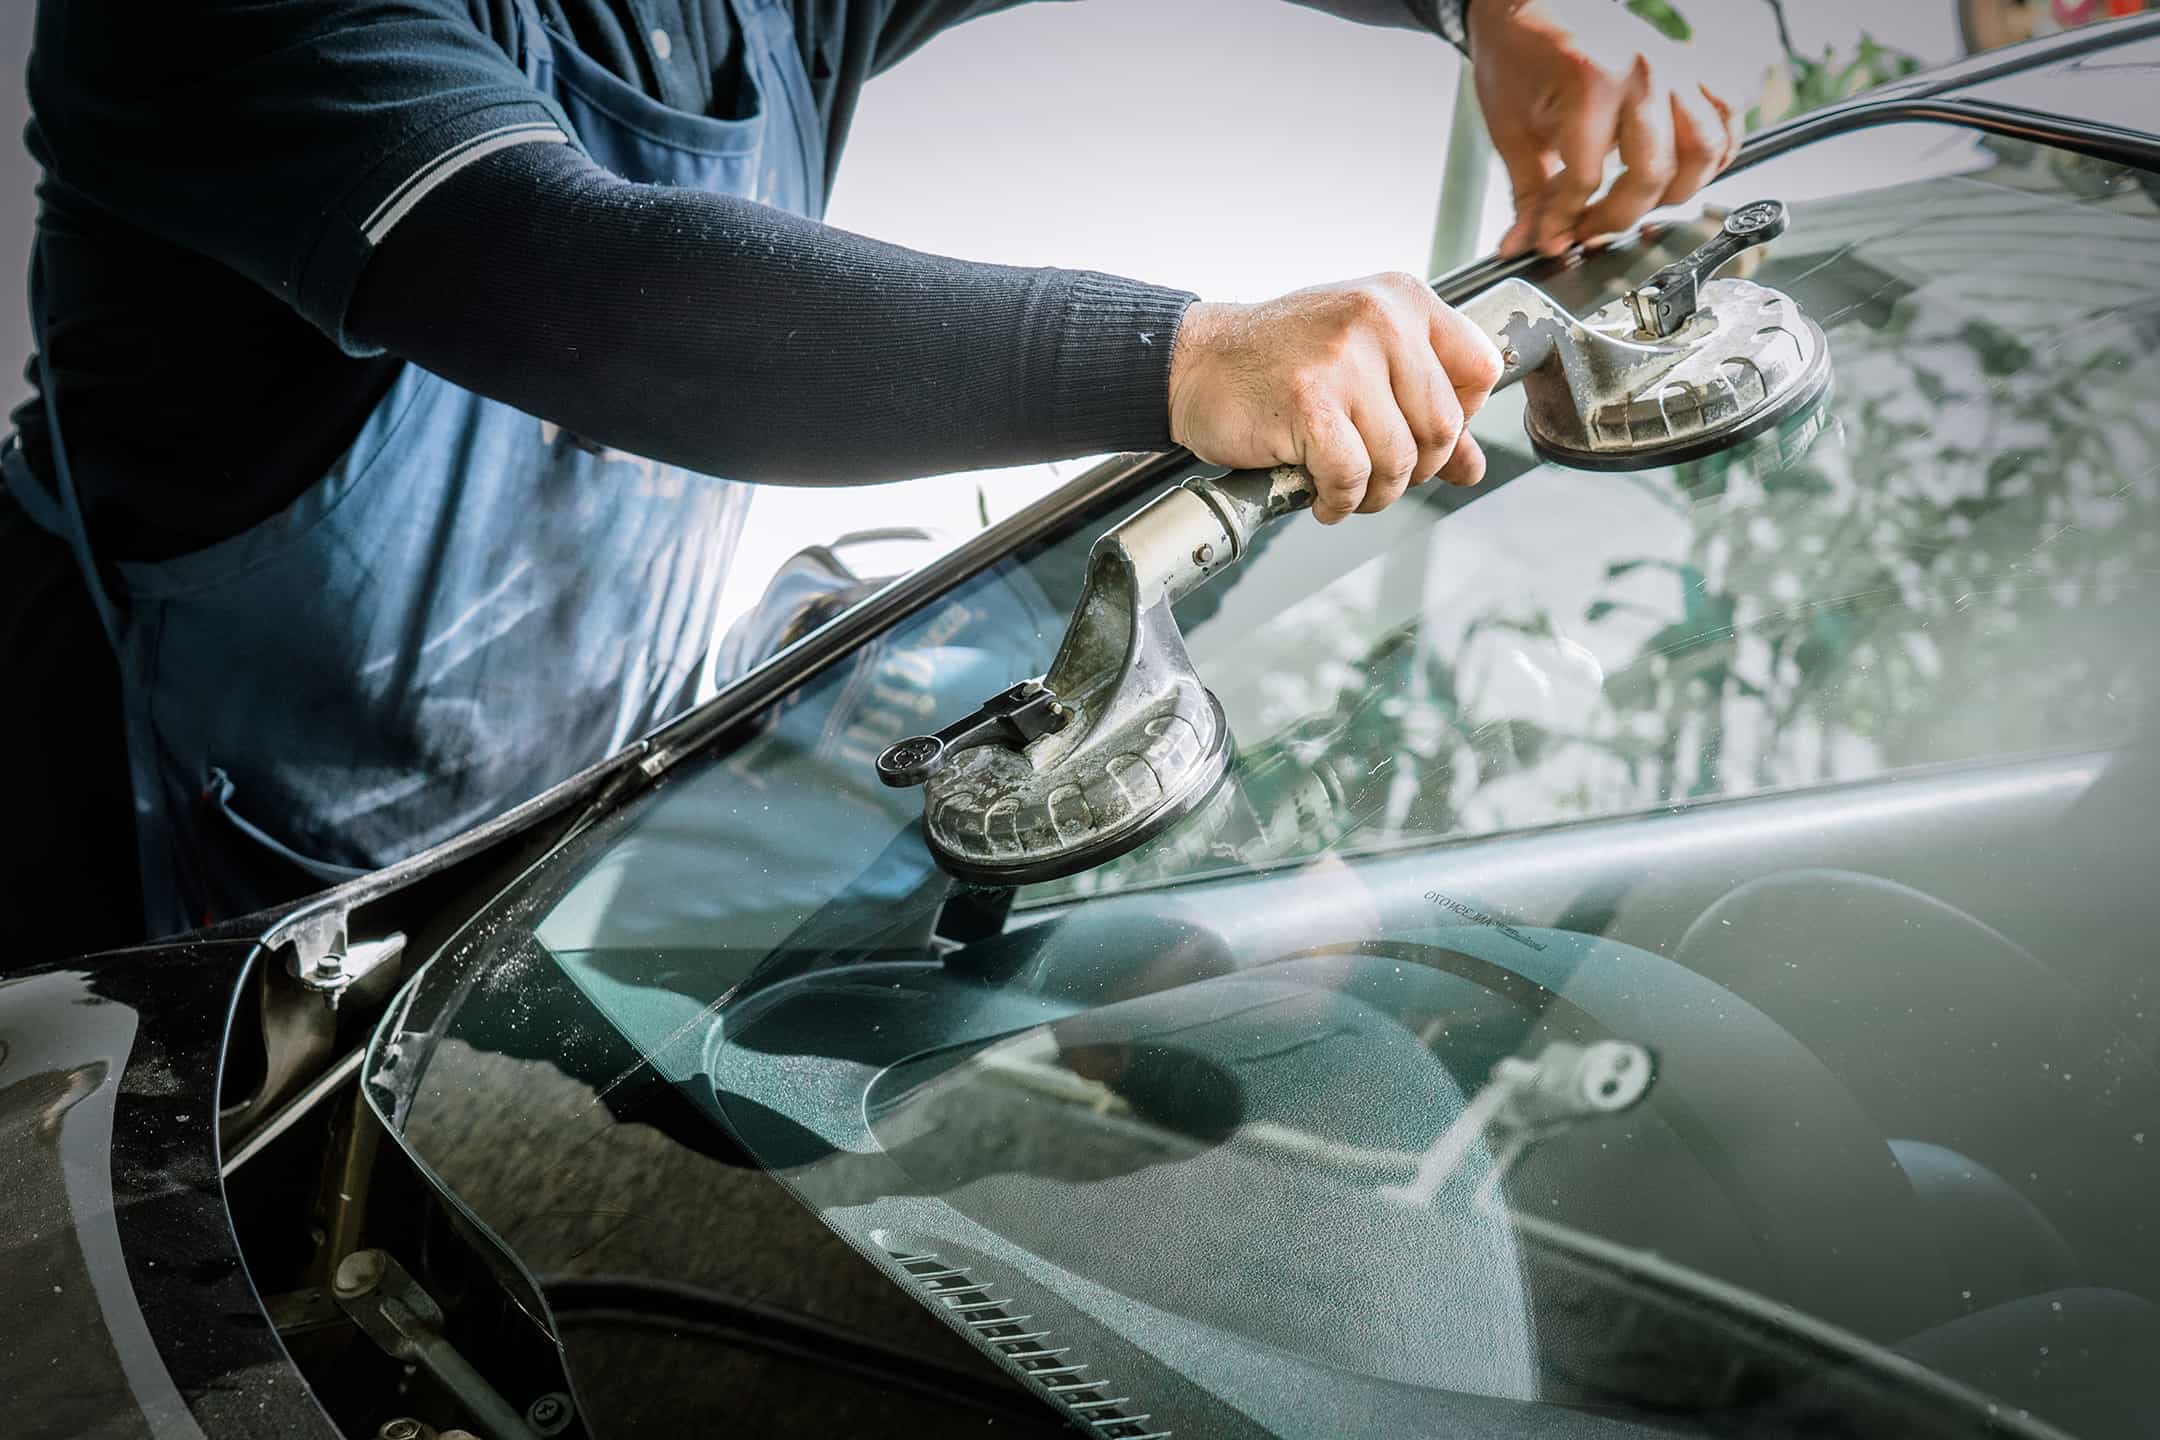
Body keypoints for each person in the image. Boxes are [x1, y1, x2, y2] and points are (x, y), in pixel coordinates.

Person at [0, 0, 1739, 954]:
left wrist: (1489, 7)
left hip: (531, 799)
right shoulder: (198, 26)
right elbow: (605, 297)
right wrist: (1188, 356)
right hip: (135, 861)